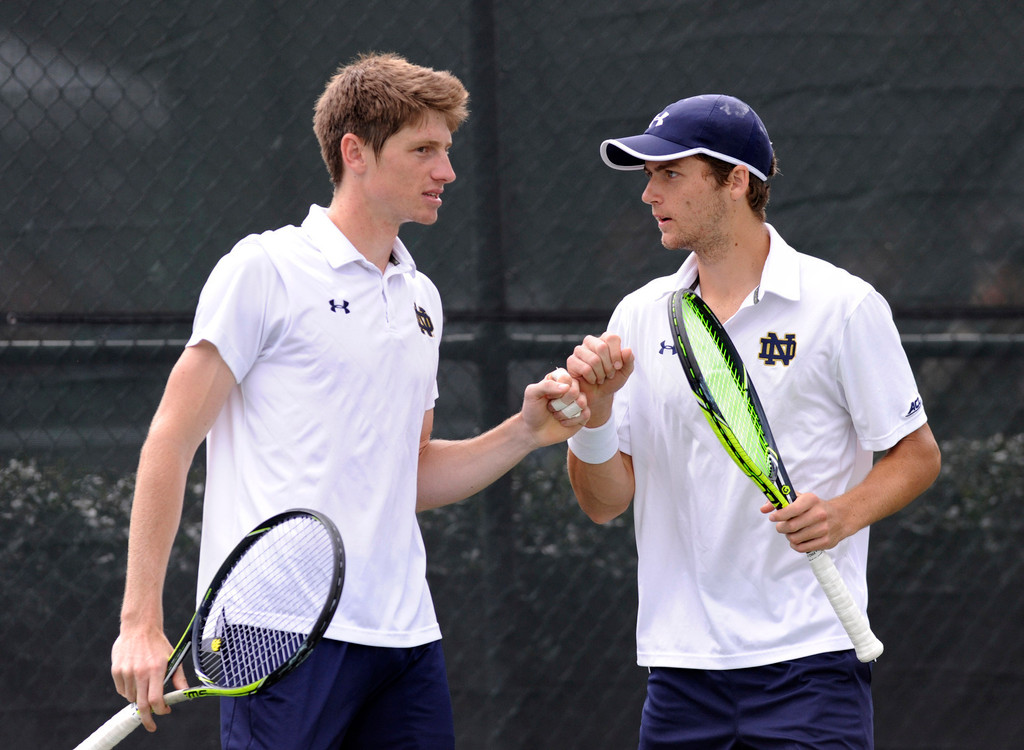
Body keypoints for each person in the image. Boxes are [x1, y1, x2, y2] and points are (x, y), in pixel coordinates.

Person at [109, 52, 586, 750]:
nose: (446, 171)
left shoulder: (422, 300)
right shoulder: (265, 270)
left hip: (404, 639)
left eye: (447, 150)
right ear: (355, 153)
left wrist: (524, 431)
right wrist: (139, 624)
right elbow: (171, 440)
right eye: (423, 150)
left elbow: (407, 472)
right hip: (274, 635)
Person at [560, 94, 941, 748]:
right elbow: (603, 504)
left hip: (811, 666)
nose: (649, 194)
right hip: (679, 674)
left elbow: (918, 454)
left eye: (670, 174)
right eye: (648, 176)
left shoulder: (843, 306)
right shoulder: (638, 315)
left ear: (735, 181)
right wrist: (592, 417)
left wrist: (842, 514)